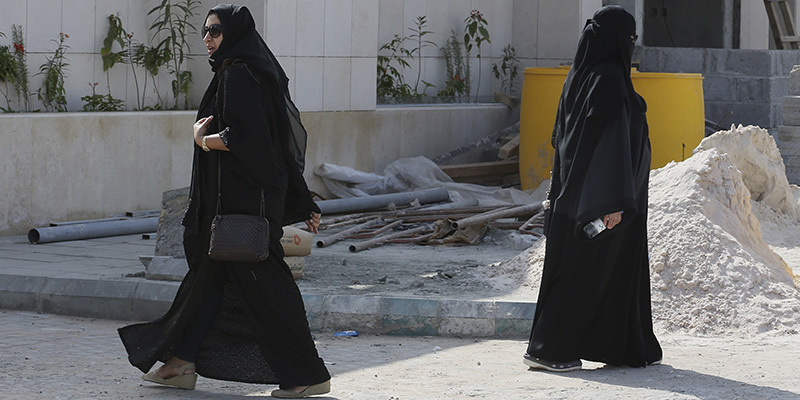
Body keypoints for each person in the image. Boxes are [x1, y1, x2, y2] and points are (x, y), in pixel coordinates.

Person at [118, 5, 331, 398]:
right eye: (204, 31)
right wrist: (304, 201)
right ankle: (179, 363)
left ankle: (305, 375)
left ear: (234, 33)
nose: (208, 37)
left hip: (238, 209)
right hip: (239, 207)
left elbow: (245, 139)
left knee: (266, 291)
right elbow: (281, 145)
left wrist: (202, 139)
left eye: (215, 30)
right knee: (208, 281)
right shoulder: (256, 73)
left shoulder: (236, 75)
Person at [523, 6, 662, 372]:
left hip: (580, 197)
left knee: (600, 273)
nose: (632, 45)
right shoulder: (609, 80)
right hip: (602, 201)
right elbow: (609, 144)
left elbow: (563, 140)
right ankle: (549, 349)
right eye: (629, 39)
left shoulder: (582, 78)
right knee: (584, 274)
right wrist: (612, 202)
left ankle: (619, 346)